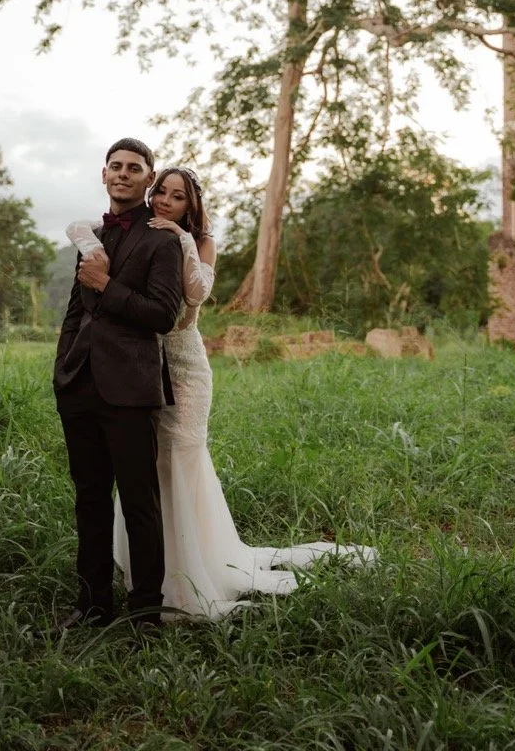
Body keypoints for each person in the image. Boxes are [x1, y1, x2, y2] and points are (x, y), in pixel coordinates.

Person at [68, 165, 376, 621]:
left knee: (181, 460)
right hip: (141, 368)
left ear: (190, 206)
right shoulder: (137, 232)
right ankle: (149, 570)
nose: (164, 201)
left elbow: (195, 296)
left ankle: (193, 570)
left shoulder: (197, 241)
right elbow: (79, 227)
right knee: (148, 468)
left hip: (185, 367)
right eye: (162, 192)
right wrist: (96, 249)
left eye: (177, 197)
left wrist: (182, 239)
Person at [53, 137, 183, 634]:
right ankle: (92, 606)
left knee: (139, 504)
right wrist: (63, 369)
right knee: (89, 500)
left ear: (148, 178)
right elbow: (75, 311)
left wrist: (107, 286)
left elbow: (163, 315)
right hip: (79, 386)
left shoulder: (162, 241)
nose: (123, 174)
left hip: (130, 390)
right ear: (104, 174)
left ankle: (146, 615)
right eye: (115, 166)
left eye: (133, 167)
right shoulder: (91, 236)